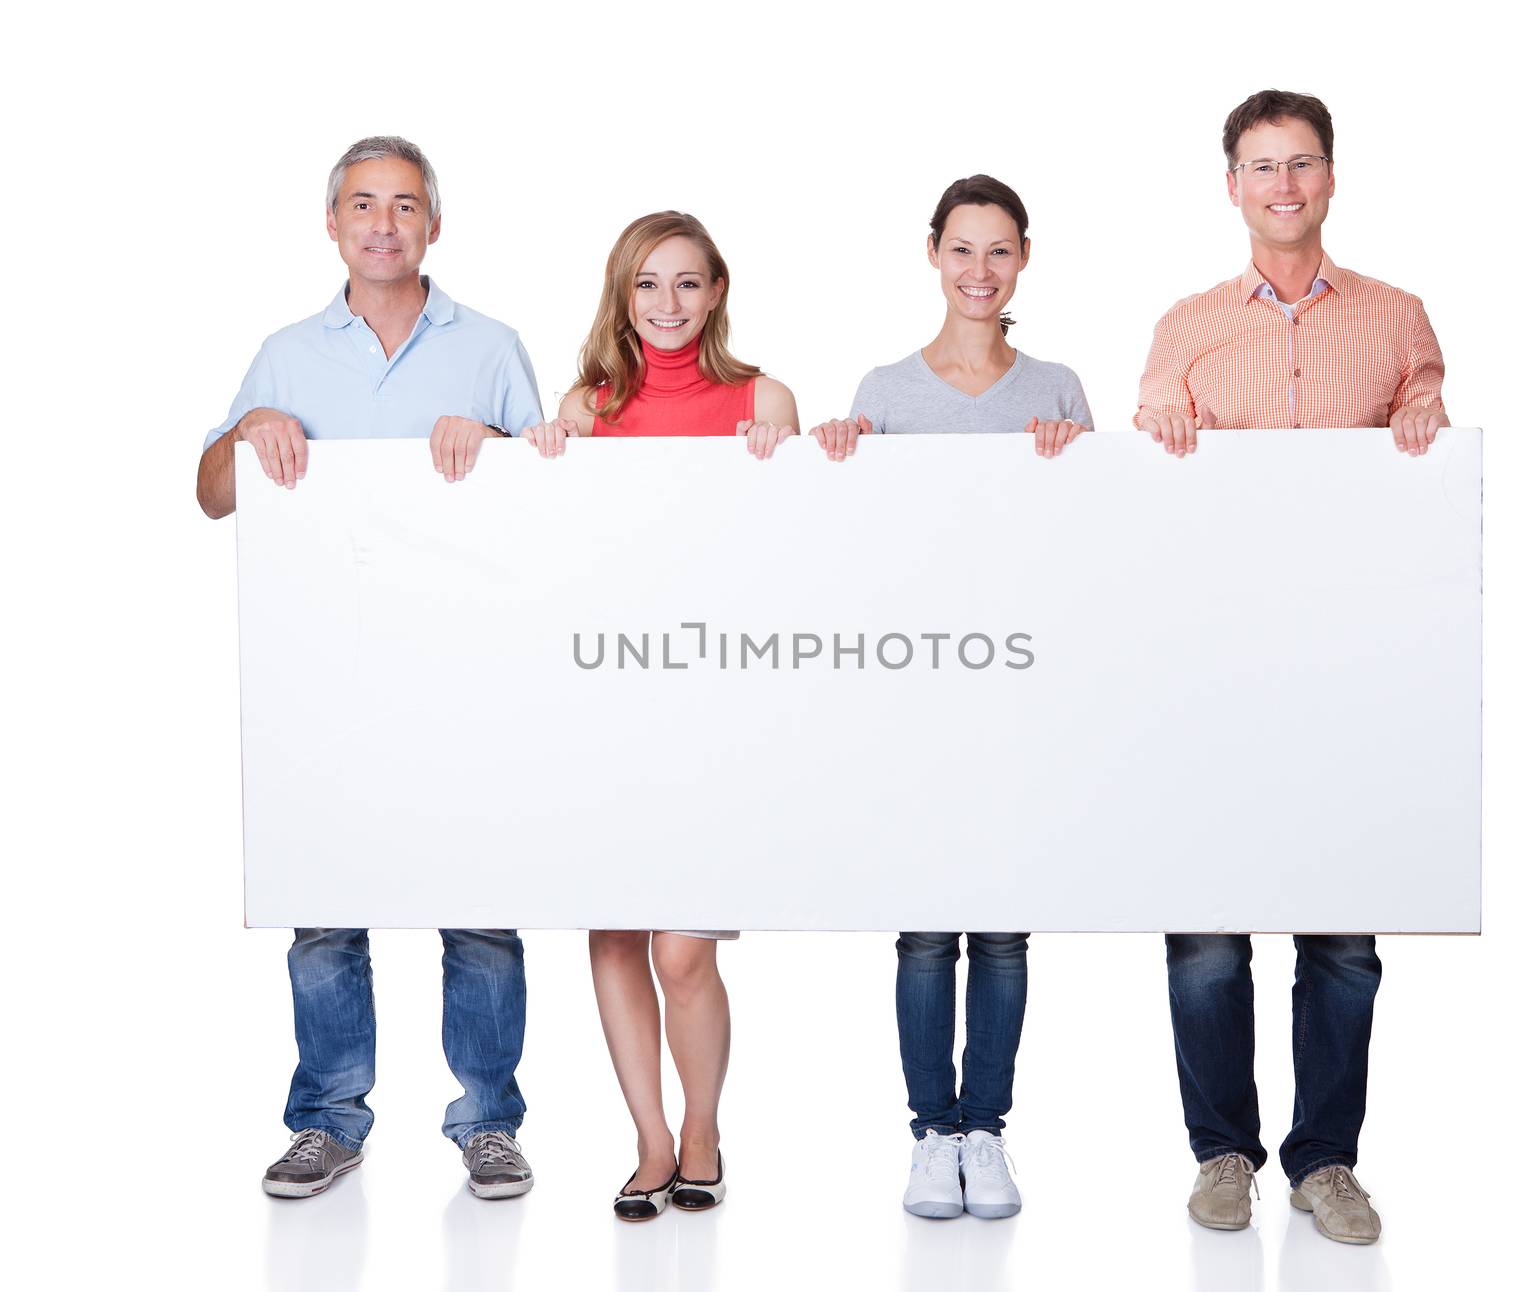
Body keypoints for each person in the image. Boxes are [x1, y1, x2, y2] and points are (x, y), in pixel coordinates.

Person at [196, 136, 544, 1201]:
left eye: (403, 205)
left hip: (463, 665)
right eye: (362, 204)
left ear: (433, 224)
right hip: (324, 673)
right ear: (334, 225)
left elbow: (556, 504)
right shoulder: (288, 354)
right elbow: (213, 491)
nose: (383, 223)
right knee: (324, 903)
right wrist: (248, 430)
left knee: (479, 901)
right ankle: (328, 1119)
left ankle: (488, 1118)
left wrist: (492, 441)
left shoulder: (489, 345)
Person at [1134, 89, 1450, 1245]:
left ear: (1329, 177)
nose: (1282, 184)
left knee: (1341, 935)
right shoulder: (1184, 327)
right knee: (1208, 933)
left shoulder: (1397, 315)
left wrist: (1423, 423)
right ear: (1231, 185)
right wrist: (1159, 441)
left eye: (1300, 164)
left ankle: (1326, 1160)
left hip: (1353, 669)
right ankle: (1221, 1151)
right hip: (1217, 666)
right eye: (1260, 166)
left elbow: (1427, 440)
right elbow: (1152, 495)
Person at [810, 175, 1093, 1220]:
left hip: (1023, 695)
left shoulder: (1056, 388)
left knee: (1006, 929)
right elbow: (855, 550)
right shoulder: (884, 390)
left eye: (1000, 252)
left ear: (1024, 260)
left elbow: (1092, 548)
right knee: (927, 929)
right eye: (962, 249)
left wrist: (1074, 466)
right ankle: (931, 1130)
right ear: (932, 253)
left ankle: (987, 1127)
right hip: (916, 693)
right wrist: (841, 458)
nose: (981, 271)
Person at [524, 210, 798, 1219]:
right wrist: (543, 458)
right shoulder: (587, 410)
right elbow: (561, 555)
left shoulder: (760, 397)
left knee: (685, 947)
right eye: (648, 285)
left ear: (716, 289)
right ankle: (647, 1138)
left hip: (714, 698)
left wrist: (787, 459)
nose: (668, 304)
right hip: (606, 699)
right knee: (615, 931)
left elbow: (796, 555)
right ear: (623, 295)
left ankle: (701, 1127)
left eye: (687, 283)